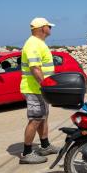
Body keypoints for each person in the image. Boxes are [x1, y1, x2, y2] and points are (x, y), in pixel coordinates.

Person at [19, 17, 60, 164]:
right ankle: (26, 153)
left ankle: (45, 145)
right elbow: (35, 68)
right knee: (35, 119)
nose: (50, 29)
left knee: (43, 117)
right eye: (49, 26)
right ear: (42, 28)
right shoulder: (33, 44)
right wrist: (45, 85)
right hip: (34, 89)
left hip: (39, 89)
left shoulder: (39, 43)